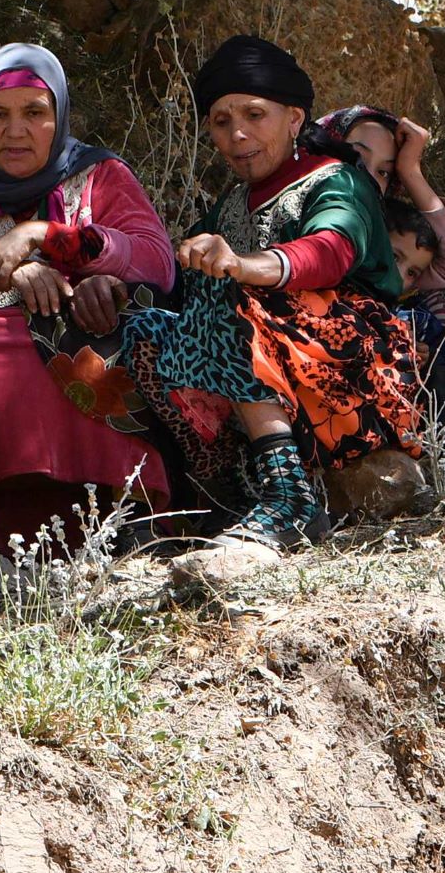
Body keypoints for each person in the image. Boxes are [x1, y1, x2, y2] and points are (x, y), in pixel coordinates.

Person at [121, 36, 423, 550]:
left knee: (227, 288)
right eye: (221, 121)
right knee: (145, 329)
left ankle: (291, 498)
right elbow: (179, 279)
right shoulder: (233, 203)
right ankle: (223, 491)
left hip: (353, 374)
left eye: (255, 115)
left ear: (294, 118)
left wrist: (243, 265)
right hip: (277, 366)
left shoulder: (337, 181)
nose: (237, 133)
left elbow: (331, 249)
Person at [0, 43, 177, 538]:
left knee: (124, 331)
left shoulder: (100, 176)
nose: (15, 131)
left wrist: (43, 238)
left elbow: (157, 263)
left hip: (84, 330)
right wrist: (1, 275)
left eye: (34, 112)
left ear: (59, 116)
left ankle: (130, 516)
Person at [323, 106, 445, 412]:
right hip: (325, 376)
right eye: (357, 158)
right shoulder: (301, 212)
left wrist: (410, 171)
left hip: (393, 389)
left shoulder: (387, 239)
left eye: (384, 172)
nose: (367, 176)